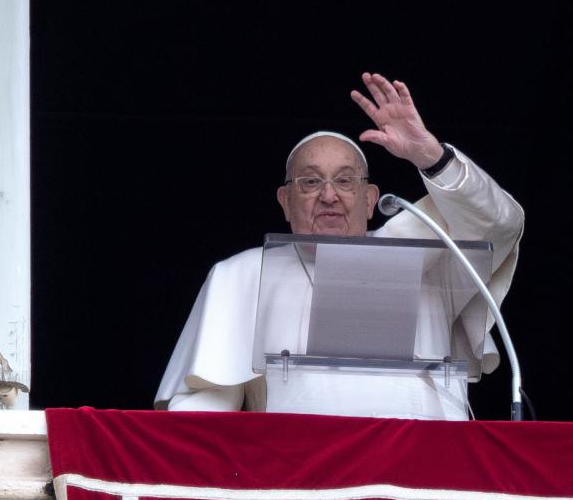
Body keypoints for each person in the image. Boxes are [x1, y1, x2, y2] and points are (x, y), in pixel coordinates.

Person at [155, 72, 523, 419]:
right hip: (303, 473)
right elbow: (205, 405)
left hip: (426, 470)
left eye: (345, 181)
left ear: (369, 199)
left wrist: (430, 157)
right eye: (310, 182)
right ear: (285, 201)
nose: (329, 195)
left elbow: (499, 223)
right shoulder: (242, 273)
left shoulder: (425, 258)